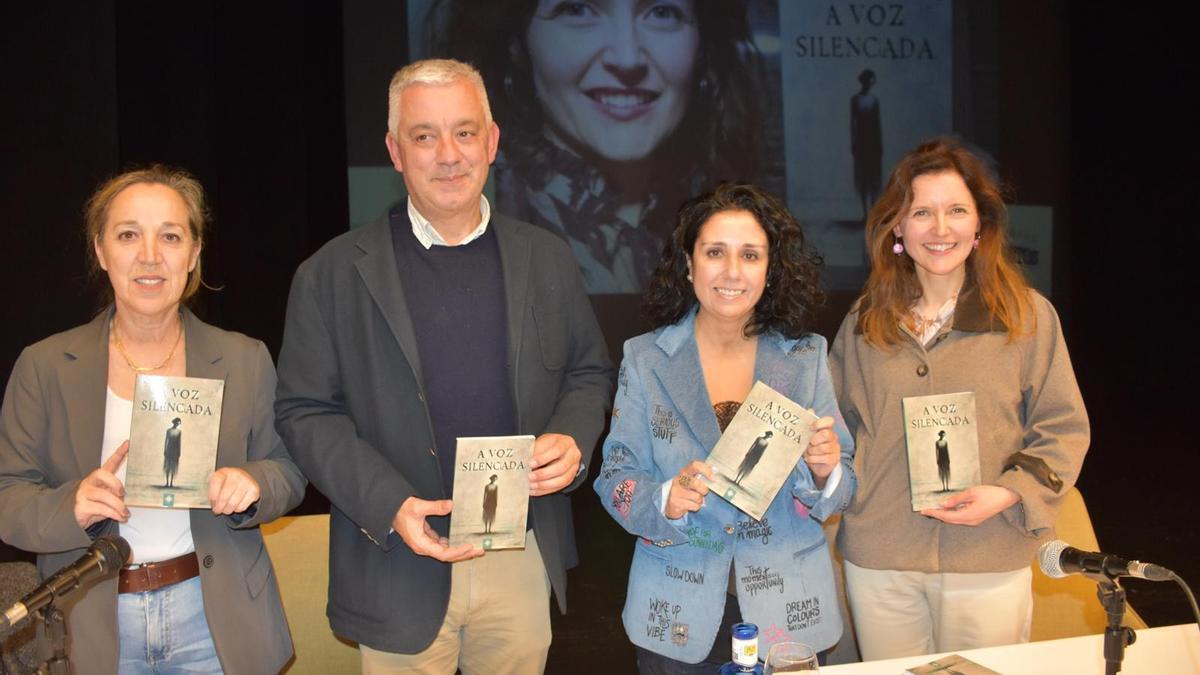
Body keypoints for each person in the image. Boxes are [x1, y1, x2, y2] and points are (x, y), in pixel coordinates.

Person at [274, 58, 613, 674]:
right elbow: (304, 412)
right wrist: (387, 504)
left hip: (518, 550)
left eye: (464, 131)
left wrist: (572, 437)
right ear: (394, 151)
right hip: (397, 556)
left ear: (492, 140)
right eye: (424, 136)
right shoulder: (329, 274)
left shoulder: (549, 259)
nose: (449, 154)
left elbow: (587, 373)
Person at [0, 166, 306, 674]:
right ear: (101, 251)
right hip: (92, 623)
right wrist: (70, 505)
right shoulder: (45, 365)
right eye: (127, 235)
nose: (149, 256)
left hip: (215, 618)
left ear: (194, 254)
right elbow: (8, 495)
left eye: (170, 236)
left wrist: (252, 482)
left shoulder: (243, 358)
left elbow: (290, 469)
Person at [829, 137, 1089, 659]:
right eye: (921, 212)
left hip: (989, 553)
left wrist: (1011, 493)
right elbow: (836, 429)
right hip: (882, 557)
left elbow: (1063, 427)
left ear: (980, 226)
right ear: (897, 228)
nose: (940, 228)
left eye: (956, 211)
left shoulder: (1027, 317)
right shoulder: (863, 325)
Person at [594, 183, 855, 672]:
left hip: (789, 616)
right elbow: (614, 477)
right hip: (676, 612)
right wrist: (664, 498)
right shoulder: (645, 359)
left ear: (769, 270)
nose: (732, 271)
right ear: (689, 264)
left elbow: (843, 487)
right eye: (715, 252)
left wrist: (825, 473)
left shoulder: (805, 357)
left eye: (750, 255)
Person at [430, 0, 769, 293]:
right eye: (577, 9)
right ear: (516, 43)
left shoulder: (719, 220)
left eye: (662, 12)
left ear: (703, 48)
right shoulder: (482, 231)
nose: (626, 58)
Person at [850, 68, 882, 222]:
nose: (869, 84)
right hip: (861, 143)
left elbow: (877, 123)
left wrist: (879, 144)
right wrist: (854, 143)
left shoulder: (874, 100)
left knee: (874, 177)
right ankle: (865, 213)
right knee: (863, 178)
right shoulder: (855, 100)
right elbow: (853, 124)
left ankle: (874, 212)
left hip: (873, 143)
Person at [163, 417, 182, 487]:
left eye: (178, 423)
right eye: (177, 422)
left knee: (173, 467)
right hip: (169, 449)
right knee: (168, 466)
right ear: (174, 422)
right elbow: (166, 441)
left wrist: (179, 452)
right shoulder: (168, 430)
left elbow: (179, 442)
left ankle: (171, 483)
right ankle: (167, 482)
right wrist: (165, 450)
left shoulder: (179, 432)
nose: (177, 424)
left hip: (175, 450)